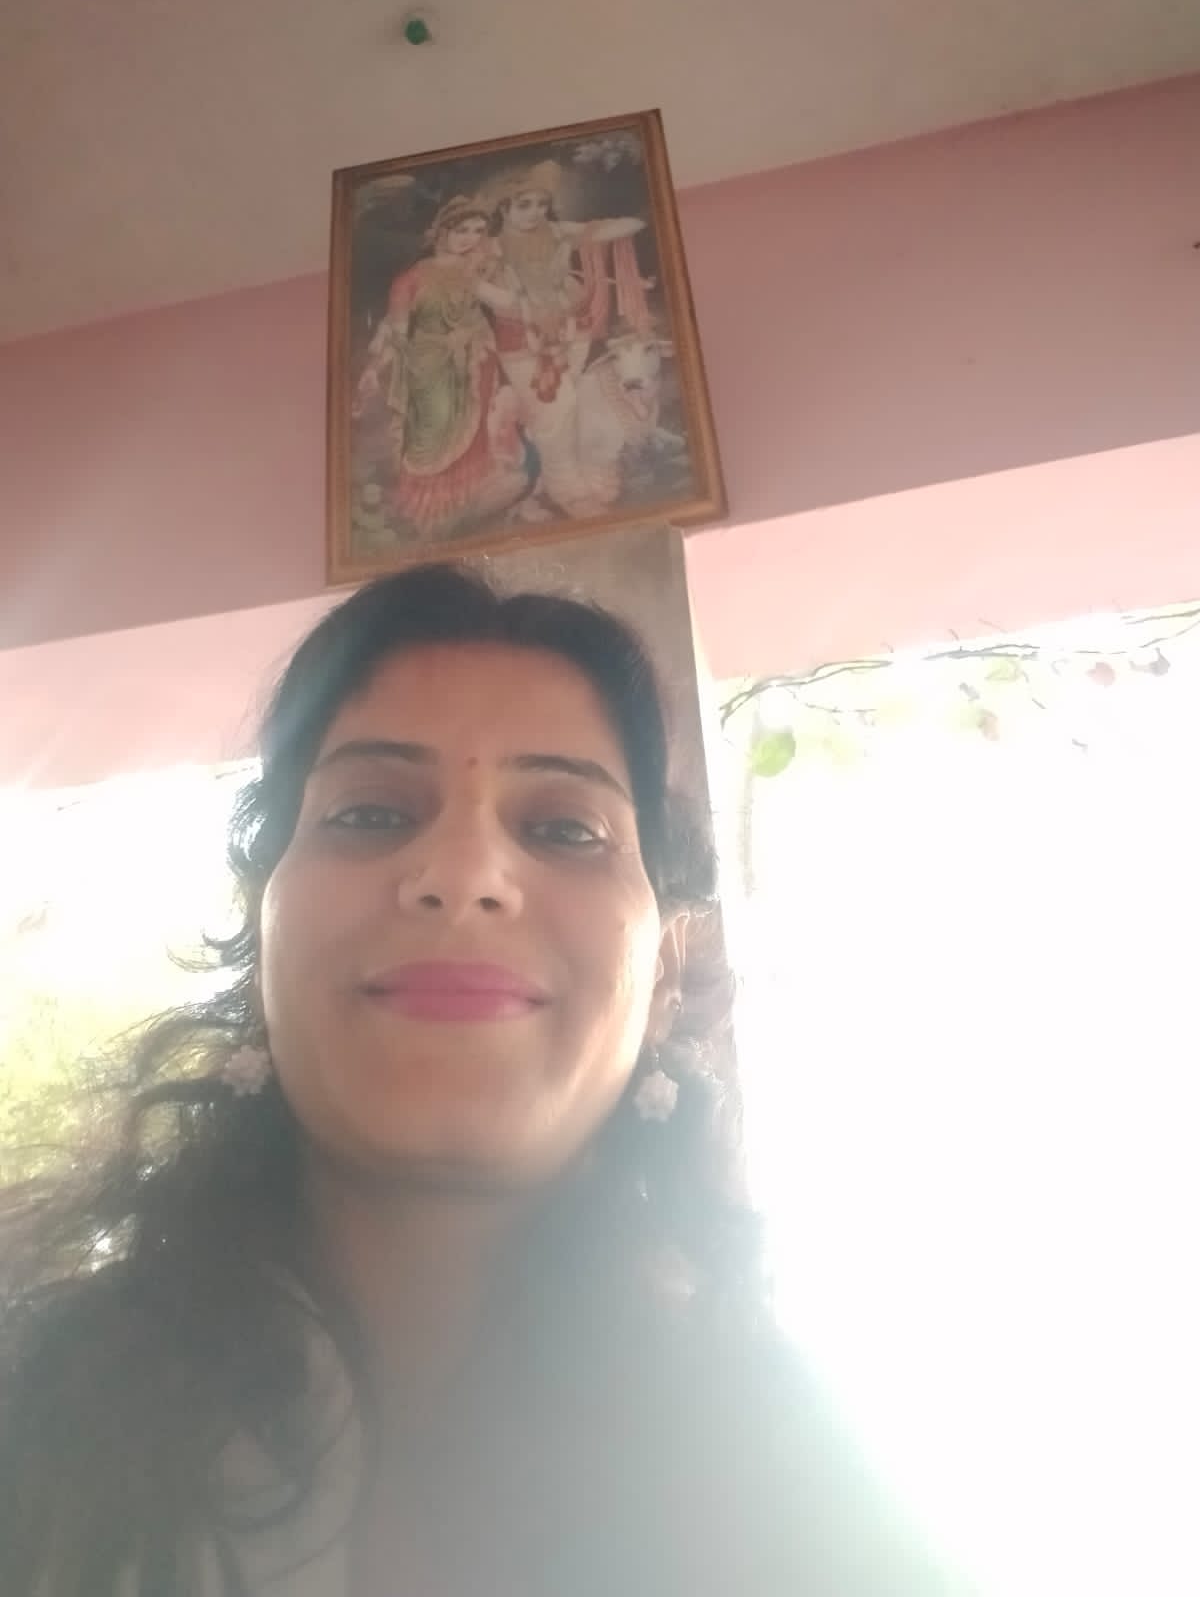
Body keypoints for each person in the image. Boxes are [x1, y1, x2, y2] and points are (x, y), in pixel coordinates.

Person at [0, 564, 966, 1595]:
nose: (461, 874)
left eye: (564, 829)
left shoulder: (818, 1506)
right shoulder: (30, 1414)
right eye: (369, 814)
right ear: (261, 933)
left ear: (666, 973)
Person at [353, 197, 537, 539]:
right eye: (462, 230)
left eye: (478, 231)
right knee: (430, 434)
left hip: (475, 361)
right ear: (441, 231)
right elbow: (395, 330)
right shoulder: (411, 279)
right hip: (427, 367)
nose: (470, 238)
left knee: (478, 431)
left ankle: (469, 498)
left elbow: (507, 301)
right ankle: (431, 512)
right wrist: (374, 369)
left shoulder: (476, 269)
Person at [480, 161, 652, 518]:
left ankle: (568, 476)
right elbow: (474, 286)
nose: (535, 213)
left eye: (541, 204)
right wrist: (516, 302)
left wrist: (645, 217)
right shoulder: (490, 249)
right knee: (553, 414)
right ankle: (566, 490)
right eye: (524, 205)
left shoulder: (558, 232)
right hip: (522, 342)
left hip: (572, 334)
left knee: (569, 407)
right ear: (504, 209)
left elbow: (614, 228)